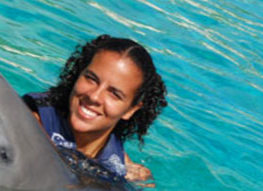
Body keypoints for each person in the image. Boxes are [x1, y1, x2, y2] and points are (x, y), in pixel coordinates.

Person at [23, 35, 167, 182]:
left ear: (131, 110)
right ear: (79, 73)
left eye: (114, 94)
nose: (94, 97)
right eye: (91, 79)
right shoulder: (29, 122)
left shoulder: (121, 164)